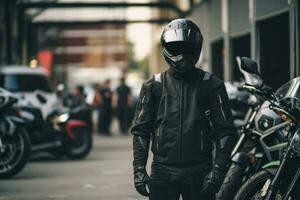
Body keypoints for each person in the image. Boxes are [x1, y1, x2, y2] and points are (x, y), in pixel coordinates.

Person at [131, 18, 236, 200]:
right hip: (163, 172)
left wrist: (218, 170)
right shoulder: (153, 86)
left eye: (187, 48)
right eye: (176, 48)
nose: (181, 55)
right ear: (165, 47)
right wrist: (139, 169)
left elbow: (224, 131)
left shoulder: (212, 85)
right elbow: (141, 130)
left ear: (197, 48)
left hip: (200, 171)